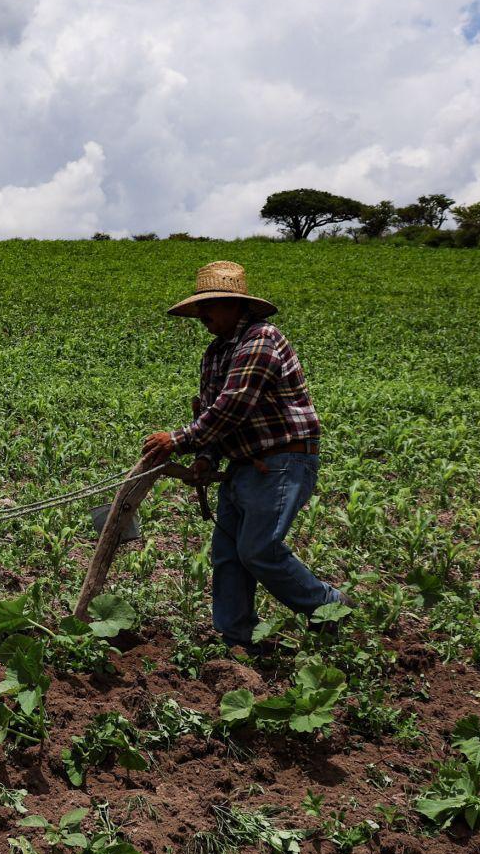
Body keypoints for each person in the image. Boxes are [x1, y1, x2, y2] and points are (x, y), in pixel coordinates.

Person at [142, 261, 342, 653]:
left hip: (281, 459)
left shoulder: (261, 339)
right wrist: (206, 457)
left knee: (258, 549)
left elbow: (235, 405)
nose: (203, 315)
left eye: (210, 305)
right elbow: (211, 413)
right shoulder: (216, 352)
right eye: (199, 307)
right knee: (228, 555)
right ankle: (237, 640)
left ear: (236, 304)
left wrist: (178, 440)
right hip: (244, 464)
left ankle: (330, 608)